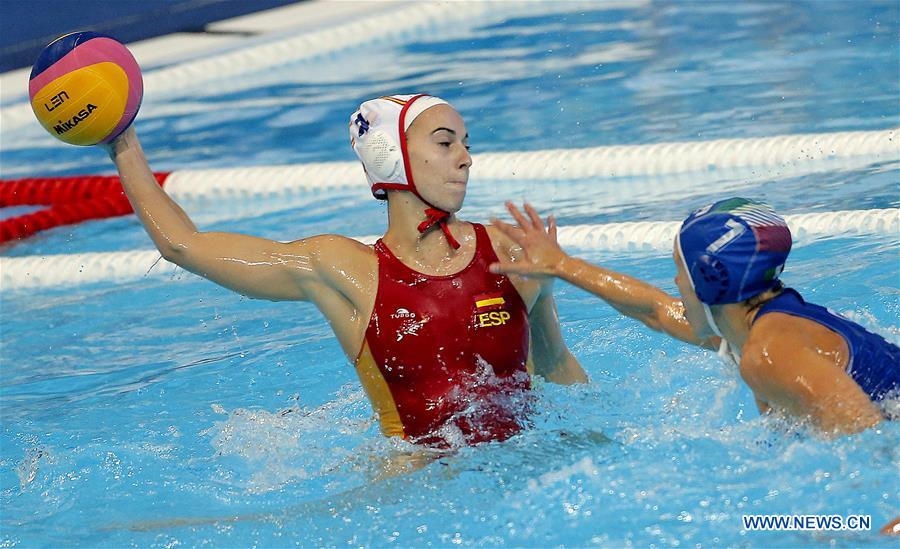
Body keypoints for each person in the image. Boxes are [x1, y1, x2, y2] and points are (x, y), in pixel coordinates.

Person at [105, 93, 587, 449]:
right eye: (445, 143)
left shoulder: (510, 249)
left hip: (524, 464)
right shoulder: (343, 270)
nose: (465, 157)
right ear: (390, 156)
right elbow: (183, 246)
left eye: (465, 143)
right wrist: (121, 140)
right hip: (416, 487)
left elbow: (556, 365)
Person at [490, 198, 899, 436]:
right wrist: (561, 265)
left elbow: (868, 439)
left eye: (680, 271)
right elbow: (653, 308)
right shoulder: (747, 327)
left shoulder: (771, 354)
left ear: (708, 280)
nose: (674, 283)